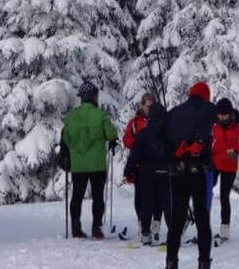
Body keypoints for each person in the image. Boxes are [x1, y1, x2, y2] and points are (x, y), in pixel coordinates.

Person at [164, 81, 217, 269]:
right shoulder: (210, 111)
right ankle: (204, 267)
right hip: (199, 171)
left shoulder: (175, 112)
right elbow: (214, 138)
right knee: (202, 220)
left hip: (177, 172)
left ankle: (170, 268)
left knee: (176, 222)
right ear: (206, 96)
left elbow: (165, 142)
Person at [60, 81, 118, 239]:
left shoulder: (71, 117)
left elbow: (65, 138)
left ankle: (75, 226)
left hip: (78, 164)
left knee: (77, 196)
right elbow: (111, 134)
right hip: (96, 164)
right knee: (98, 196)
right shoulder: (101, 115)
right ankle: (96, 227)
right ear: (94, 96)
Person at [123, 102, 172, 246]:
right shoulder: (169, 134)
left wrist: (129, 171)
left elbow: (135, 154)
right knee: (167, 204)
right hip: (165, 172)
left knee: (147, 204)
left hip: (146, 173)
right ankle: (174, 233)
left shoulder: (143, 134)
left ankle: (145, 233)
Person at [210, 98, 239, 243]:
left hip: (229, 165)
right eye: (219, 115)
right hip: (214, 162)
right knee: (204, 191)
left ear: (230, 114)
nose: (221, 117)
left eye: (224, 115)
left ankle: (224, 230)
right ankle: (202, 224)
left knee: (224, 196)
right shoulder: (213, 124)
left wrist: (236, 150)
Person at [123, 92, 159, 243]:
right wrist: (140, 144)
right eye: (146, 106)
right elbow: (126, 139)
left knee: (158, 198)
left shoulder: (159, 120)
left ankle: (155, 228)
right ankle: (142, 226)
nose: (148, 108)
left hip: (156, 164)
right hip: (139, 164)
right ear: (142, 106)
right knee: (140, 198)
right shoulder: (134, 122)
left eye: (151, 106)